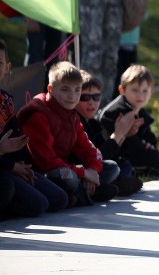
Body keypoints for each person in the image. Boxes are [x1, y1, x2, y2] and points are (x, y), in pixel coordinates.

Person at [17, 61, 120, 207]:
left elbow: (89, 150)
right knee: (69, 177)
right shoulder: (38, 114)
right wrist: (84, 173)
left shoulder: (71, 114)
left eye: (77, 90)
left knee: (112, 167)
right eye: (65, 89)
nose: (72, 96)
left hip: (67, 167)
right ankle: (88, 195)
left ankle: (81, 193)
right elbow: (46, 162)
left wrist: (91, 170)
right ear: (51, 90)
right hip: (42, 172)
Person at [0, 39, 67, 219]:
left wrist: (21, 165)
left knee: (58, 199)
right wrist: (10, 163)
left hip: (9, 167)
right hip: (5, 170)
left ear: (7, 68)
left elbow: (16, 139)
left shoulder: (6, 100)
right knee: (33, 202)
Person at [98, 64, 159, 179]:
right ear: (122, 90)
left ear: (151, 92)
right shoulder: (117, 112)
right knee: (153, 158)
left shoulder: (139, 111)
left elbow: (149, 138)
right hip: (112, 157)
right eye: (135, 90)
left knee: (155, 155)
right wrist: (157, 156)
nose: (140, 96)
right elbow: (130, 145)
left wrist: (151, 147)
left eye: (145, 91)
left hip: (130, 154)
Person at [76, 71, 143, 196]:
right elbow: (100, 155)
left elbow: (107, 152)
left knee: (123, 164)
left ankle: (111, 186)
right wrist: (117, 136)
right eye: (85, 98)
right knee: (113, 168)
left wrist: (123, 135)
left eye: (96, 97)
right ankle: (107, 187)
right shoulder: (76, 121)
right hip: (82, 168)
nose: (91, 102)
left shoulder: (92, 122)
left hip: (95, 167)